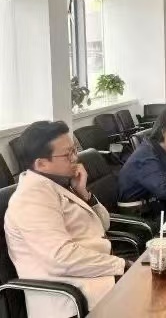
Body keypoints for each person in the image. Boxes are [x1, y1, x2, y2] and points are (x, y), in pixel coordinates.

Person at [4, 121, 128, 317]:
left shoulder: (58, 182)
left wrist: (83, 193)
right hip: (71, 298)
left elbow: (104, 224)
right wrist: (121, 265)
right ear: (41, 163)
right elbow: (61, 258)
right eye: (67, 154)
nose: (75, 158)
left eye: (74, 150)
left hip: (93, 275)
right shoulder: (31, 199)